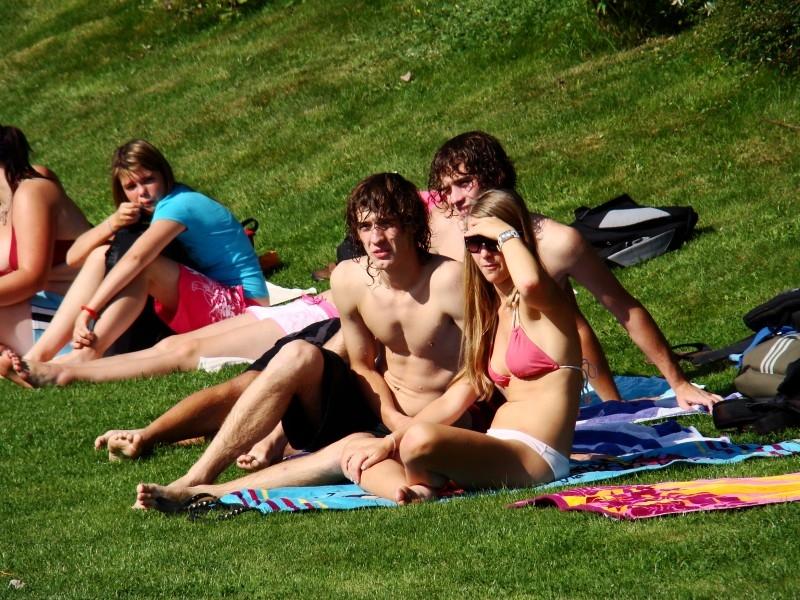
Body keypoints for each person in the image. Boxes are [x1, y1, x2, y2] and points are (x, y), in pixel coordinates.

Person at [134, 172, 480, 511]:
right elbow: (361, 364)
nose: (376, 238)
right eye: (365, 227)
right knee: (297, 353)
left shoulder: (449, 280)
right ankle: (196, 477)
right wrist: (389, 415)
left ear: (411, 223)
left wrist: (403, 431)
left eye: (386, 224)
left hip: (436, 420)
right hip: (375, 408)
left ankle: (209, 493)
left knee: (353, 452)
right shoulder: (350, 279)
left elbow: (476, 373)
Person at [426, 131, 720, 410]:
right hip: (477, 379)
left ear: (496, 176)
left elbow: (623, 309)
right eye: (446, 190)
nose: (455, 199)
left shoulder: (556, 243)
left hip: (534, 372)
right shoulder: (447, 239)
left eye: (464, 183)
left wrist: (678, 384)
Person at [352, 188, 583, 503]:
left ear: (516, 240)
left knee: (418, 440)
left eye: (494, 243)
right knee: (363, 452)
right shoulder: (492, 314)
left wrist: (504, 232)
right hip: (497, 445)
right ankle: (410, 491)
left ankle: (424, 480)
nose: (485, 254)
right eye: (475, 244)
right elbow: (455, 399)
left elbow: (529, 282)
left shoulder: (546, 304)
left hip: (539, 457)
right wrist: (390, 441)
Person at [16, 139, 269, 364]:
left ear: (164, 174)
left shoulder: (178, 205)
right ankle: (39, 355)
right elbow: (74, 258)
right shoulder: (154, 210)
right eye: (131, 186)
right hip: (220, 299)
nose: (142, 193)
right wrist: (112, 223)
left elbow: (136, 259)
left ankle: (88, 353)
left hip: (245, 309)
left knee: (146, 268)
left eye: (148, 180)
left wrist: (89, 311)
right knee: (99, 254)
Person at [4, 291, 337, 387]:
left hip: (317, 321)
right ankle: (61, 365)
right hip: (307, 306)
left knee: (186, 352)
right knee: (169, 345)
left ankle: (64, 374)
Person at [0, 125, 91, 373]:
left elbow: (33, 277)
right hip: (47, 313)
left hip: (81, 324)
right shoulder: (5, 200)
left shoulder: (32, 190)